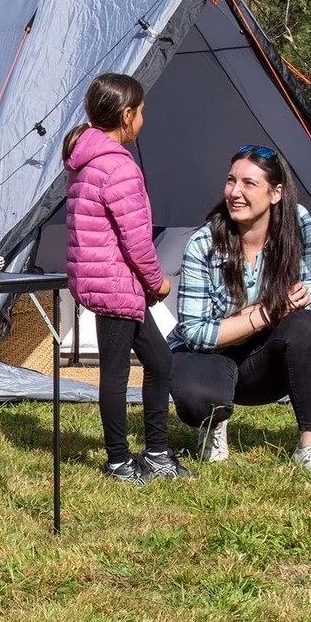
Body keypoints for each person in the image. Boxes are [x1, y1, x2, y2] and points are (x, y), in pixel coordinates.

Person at [168, 146, 311, 475]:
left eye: (249, 183)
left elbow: (310, 286)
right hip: (208, 354)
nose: (235, 192)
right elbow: (195, 333)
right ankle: (213, 424)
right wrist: (267, 313)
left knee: (309, 326)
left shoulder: (297, 222)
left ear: (276, 193)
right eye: (231, 181)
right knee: (197, 399)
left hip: (261, 356)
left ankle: (310, 446)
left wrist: (294, 304)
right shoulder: (203, 243)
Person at [63, 73, 190, 483]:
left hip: (105, 282)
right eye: (142, 112)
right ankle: (119, 461)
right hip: (117, 284)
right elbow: (137, 241)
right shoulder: (118, 167)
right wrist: (157, 283)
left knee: (160, 361)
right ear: (127, 114)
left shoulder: (86, 161)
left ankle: (156, 453)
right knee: (117, 374)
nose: (143, 121)